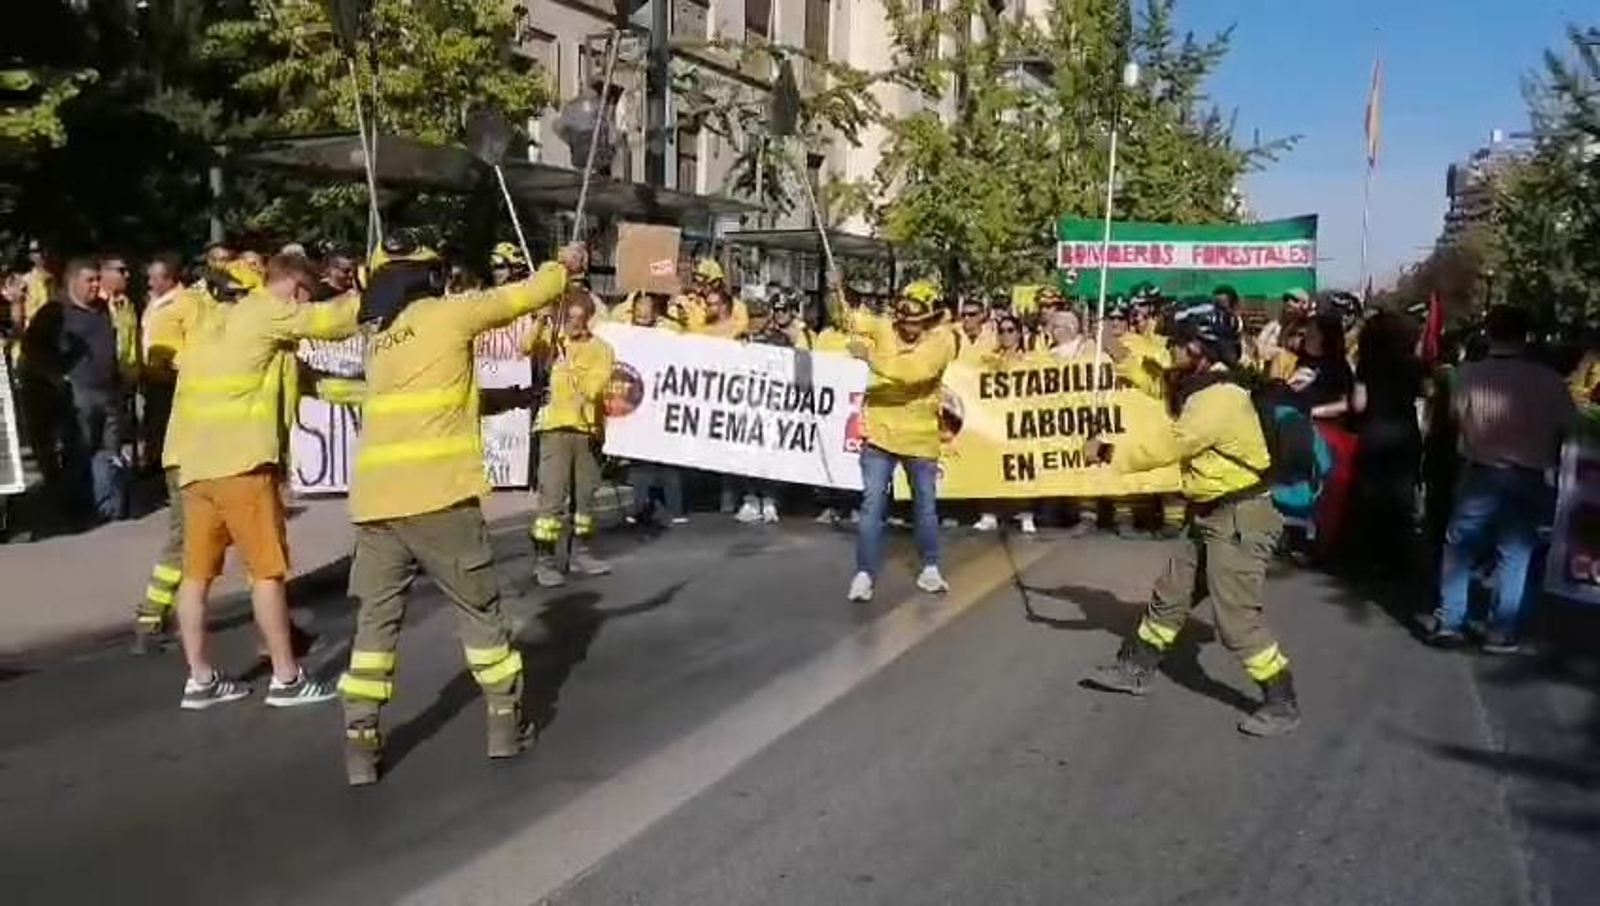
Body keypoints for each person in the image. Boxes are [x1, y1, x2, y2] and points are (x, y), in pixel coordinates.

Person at [338, 242, 581, 785]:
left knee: (375, 625)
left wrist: (508, 399)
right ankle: (504, 724)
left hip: (377, 507)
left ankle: (360, 742)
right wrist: (564, 265)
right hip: (441, 500)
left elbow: (444, 397)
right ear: (430, 278)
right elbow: (527, 294)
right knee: (480, 614)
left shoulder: (378, 343)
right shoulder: (451, 313)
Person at [1083, 299, 1300, 737]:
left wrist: (1106, 451)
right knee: (1171, 593)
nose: (1170, 349)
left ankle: (1281, 702)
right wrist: (1116, 352)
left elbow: (1170, 445)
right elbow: (1156, 382)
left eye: (1178, 342)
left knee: (1237, 620)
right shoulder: (1197, 386)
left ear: (1201, 348)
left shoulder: (1219, 400)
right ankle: (1135, 669)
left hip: (1240, 518)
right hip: (1210, 515)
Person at [167, 254, 359, 709]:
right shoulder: (265, 310)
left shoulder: (216, 323)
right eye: (306, 297)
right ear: (295, 289)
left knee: (195, 578)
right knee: (267, 573)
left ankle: (200, 679)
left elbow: (306, 383)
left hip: (195, 467)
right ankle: (287, 678)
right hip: (243, 465)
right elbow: (332, 321)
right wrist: (378, 291)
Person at [1427, 306, 1573, 654]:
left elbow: (1455, 421)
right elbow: (1569, 427)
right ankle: (1502, 631)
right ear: (1525, 336)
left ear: (1488, 334)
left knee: (1460, 545)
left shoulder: (1467, 376)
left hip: (1481, 470)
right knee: (1516, 552)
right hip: (1531, 474)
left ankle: (1450, 622)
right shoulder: (1550, 381)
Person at [129, 257, 227, 655]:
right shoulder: (183, 316)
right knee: (187, 538)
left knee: (199, 537)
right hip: (194, 450)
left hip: (193, 446)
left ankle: (154, 616)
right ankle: (151, 616)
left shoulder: (182, 310)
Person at [845, 280, 958, 602]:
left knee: (924, 507)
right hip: (878, 434)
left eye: (915, 320)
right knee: (872, 507)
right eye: (903, 318)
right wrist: (845, 306)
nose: (907, 325)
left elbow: (914, 371)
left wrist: (870, 358)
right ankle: (864, 573)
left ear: (931, 318)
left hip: (920, 440)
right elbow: (855, 321)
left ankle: (931, 568)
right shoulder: (885, 328)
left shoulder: (943, 341)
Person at [21, 258, 125, 522]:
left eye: (97, 279)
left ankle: (107, 506)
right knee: (80, 452)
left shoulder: (101, 308)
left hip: (108, 392)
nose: (96, 285)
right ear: (73, 281)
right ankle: (76, 509)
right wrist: (55, 376)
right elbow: (31, 351)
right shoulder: (54, 312)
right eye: (89, 280)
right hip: (78, 395)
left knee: (108, 450)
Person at [526, 286, 616, 587]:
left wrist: (572, 371)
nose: (573, 325)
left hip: (587, 432)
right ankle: (544, 559)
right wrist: (540, 321)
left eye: (579, 319)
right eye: (568, 319)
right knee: (551, 499)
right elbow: (525, 346)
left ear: (589, 319)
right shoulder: (553, 343)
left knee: (585, 500)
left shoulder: (602, 350)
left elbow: (593, 388)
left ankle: (581, 552)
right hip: (554, 430)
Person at [1346, 310, 1425, 572]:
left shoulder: (1367, 364)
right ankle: (1399, 554)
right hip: (1404, 430)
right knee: (1402, 494)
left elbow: (1359, 404)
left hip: (1374, 430)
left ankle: (1370, 552)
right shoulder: (1413, 364)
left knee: (1371, 492)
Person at [624, 292, 689, 526]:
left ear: (654, 314)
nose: (642, 314)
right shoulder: (624, 335)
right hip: (638, 405)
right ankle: (640, 508)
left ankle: (675, 508)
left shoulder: (667, 334)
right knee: (641, 462)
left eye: (647, 309)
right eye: (638, 310)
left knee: (667, 459)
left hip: (662, 403)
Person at [973, 314, 1036, 534]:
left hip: (1021, 421)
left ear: (1019, 333)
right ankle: (989, 512)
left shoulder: (1031, 359)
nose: (1006, 335)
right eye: (1002, 331)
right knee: (992, 464)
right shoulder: (989, 359)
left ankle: (1025, 514)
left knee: (1022, 467)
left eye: (1011, 330)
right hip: (996, 420)